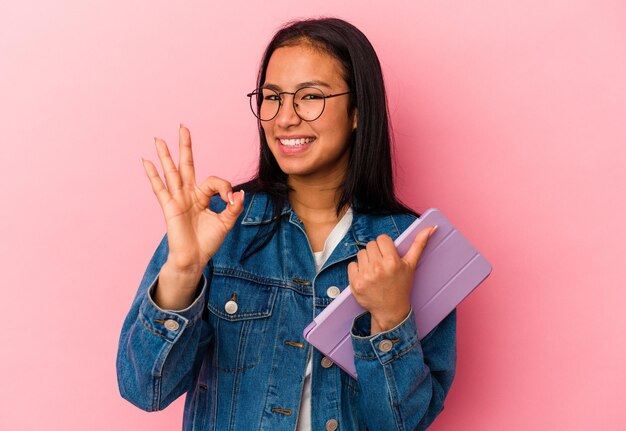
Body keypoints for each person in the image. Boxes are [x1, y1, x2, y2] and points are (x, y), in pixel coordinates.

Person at [117, 17, 456, 431]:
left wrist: (390, 318)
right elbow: (144, 389)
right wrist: (182, 271)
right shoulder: (219, 226)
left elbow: (408, 423)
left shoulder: (411, 245)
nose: (284, 118)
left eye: (309, 97)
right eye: (272, 97)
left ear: (357, 111)